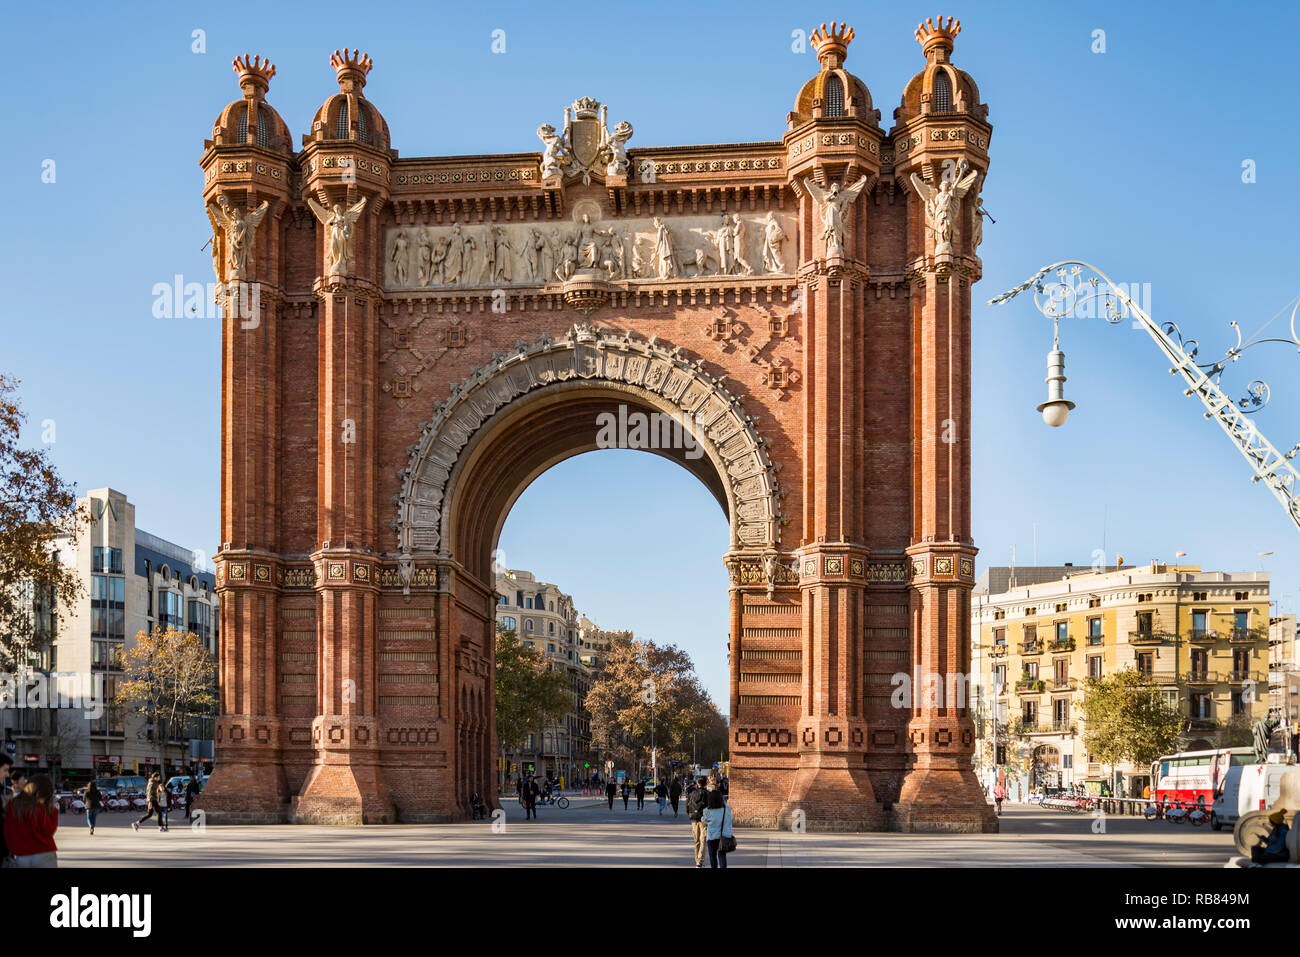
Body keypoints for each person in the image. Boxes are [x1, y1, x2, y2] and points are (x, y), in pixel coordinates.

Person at [3, 773, 58, 867]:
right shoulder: (43, 808)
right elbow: (48, 831)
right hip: (44, 853)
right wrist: (53, 811)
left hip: (21, 855)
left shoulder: (13, 805)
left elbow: (7, 830)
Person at [702, 786, 734, 869]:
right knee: (722, 855)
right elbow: (731, 819)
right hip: (723, 836)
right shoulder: (726, 808)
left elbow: (704, 821)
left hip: (712, 836)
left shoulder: (707, 810)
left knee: (712, 857)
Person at [686, 776, 709, 868]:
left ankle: (697, 860)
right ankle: (700, 861)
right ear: (706, 783)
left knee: (696, 840)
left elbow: (687, 805)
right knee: (703, 840)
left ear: (697, 783)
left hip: (694, 819)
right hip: (704, 819)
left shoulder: (692, 793)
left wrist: (691, 814)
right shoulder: (708, 794)